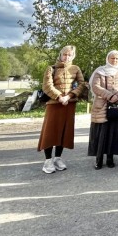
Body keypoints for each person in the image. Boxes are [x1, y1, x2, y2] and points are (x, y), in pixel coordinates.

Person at [37, 45, 86, 174]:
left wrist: (69, 96)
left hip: (69, 104)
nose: (66, 57)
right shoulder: (51, 69)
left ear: (73, 56)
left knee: (64, 132)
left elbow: (82, 84)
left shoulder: (76, 69)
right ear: (60, 54)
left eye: (69, 55)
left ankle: (58, 158)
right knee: (50, 132)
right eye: (65, 54)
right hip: (54, 104)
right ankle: (48, 161)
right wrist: (59, 97)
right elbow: (47, 85)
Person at [88, 50, 118, 169]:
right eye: (112, 58)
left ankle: (110, 158)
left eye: (117, 58)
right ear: (108, 58)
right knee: (101, 133)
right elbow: (95, 86)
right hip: (101, 106)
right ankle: (99, 159)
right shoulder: (100, 71)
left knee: (114, 132)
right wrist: (109, 95)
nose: (115, 60)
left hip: (117, 106)